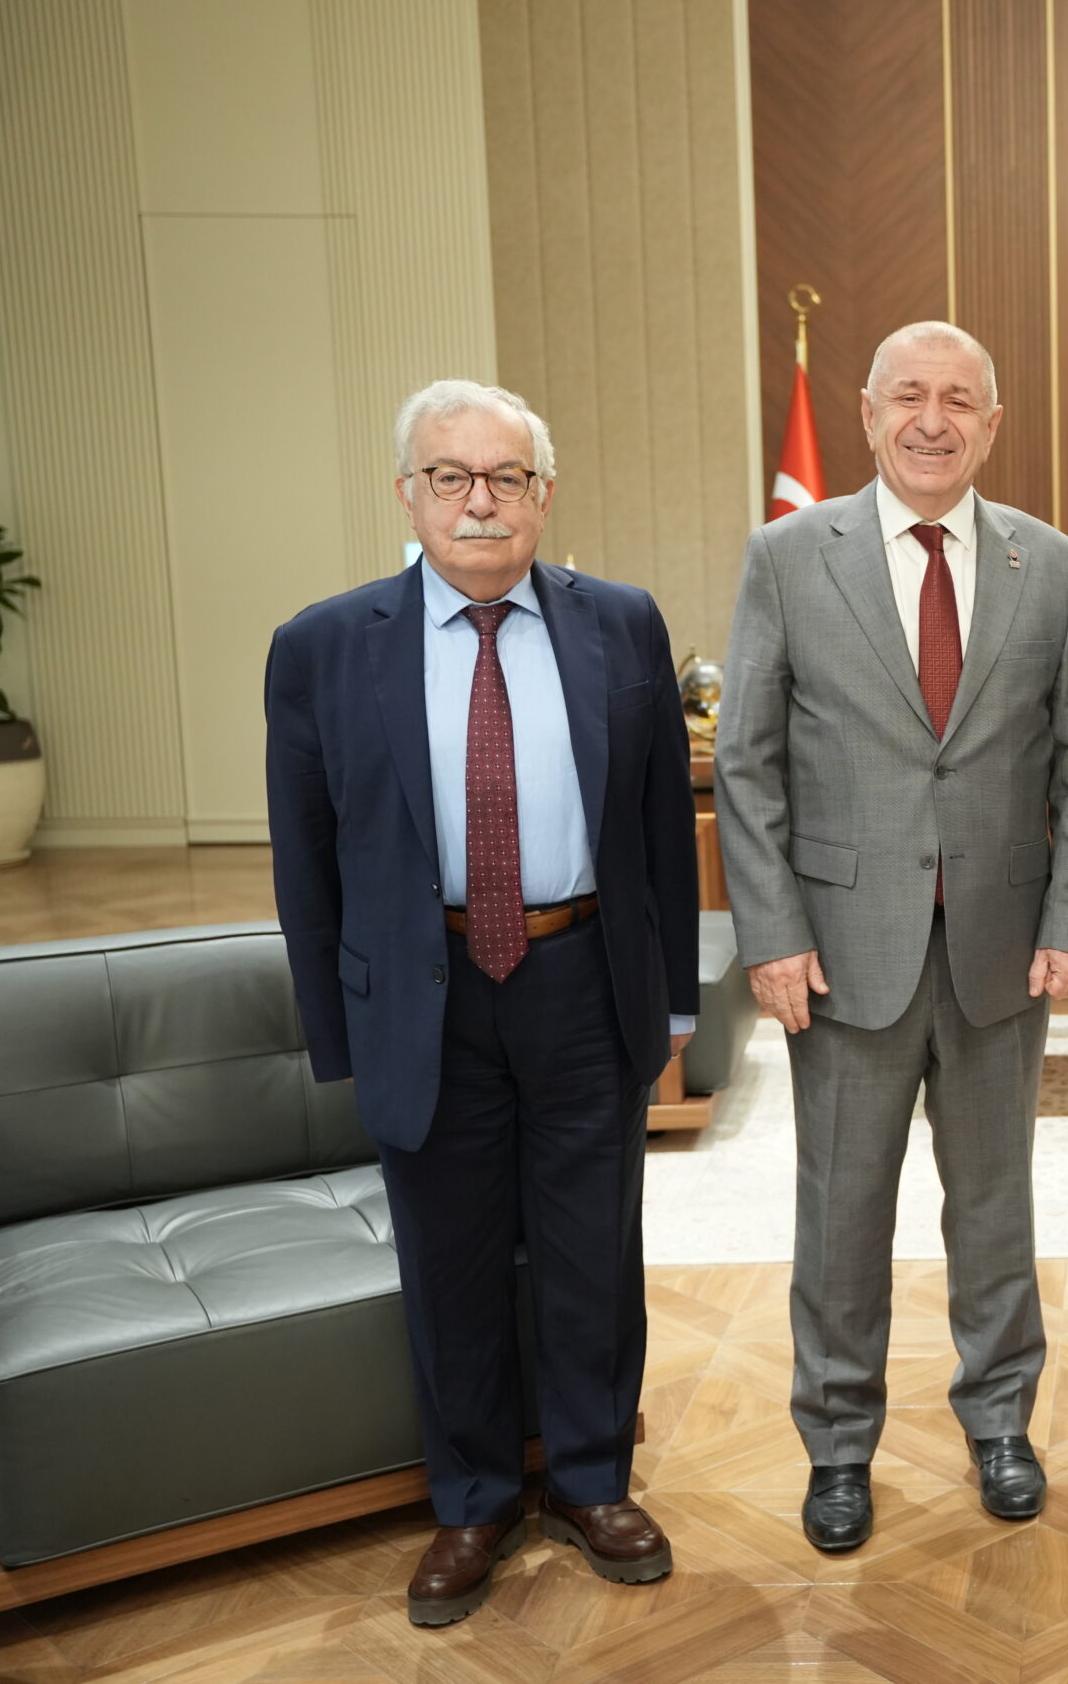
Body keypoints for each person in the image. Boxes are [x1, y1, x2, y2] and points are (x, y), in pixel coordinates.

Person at [264, 379, 697, 1627]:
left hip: (583, 976)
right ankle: (470, 1502)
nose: (480, 501)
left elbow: (662, 831)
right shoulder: (324, 645)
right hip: (423, 993)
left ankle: (592, 1483)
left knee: (592, 1250)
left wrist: (672, 1005)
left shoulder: (623, 623)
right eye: (450, 476)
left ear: (543, 496)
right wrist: (336, 1029)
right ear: (407, 494)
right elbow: (305, 858)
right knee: (449, 1260)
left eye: (507, 476)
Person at [714, 321, 1068, 1555]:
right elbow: (747, 760)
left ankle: (1001, 1422)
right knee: (841, 1215)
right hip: (840, 952)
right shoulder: (788, 555)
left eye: (959, 401)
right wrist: (771, 934)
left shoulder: (1046, 562)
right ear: (869, 413)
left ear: (992, 424)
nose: (933, 422)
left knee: (995, 1210)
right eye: (910, 398)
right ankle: (838, 1444)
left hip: (1000, 949)